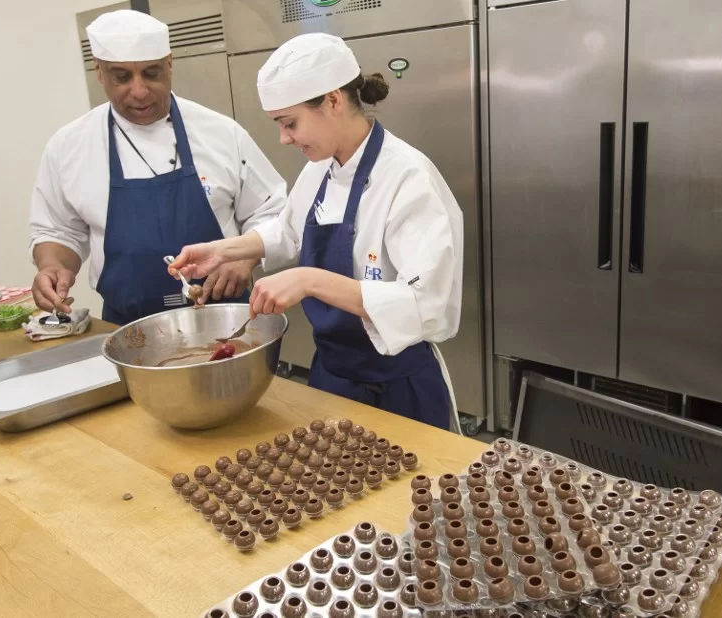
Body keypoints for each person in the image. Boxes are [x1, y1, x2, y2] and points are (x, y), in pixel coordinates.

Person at [169, 33, 463, 430]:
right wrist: (225, 251)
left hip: (397, 387)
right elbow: (289, 232)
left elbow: (425, 304)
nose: (283, 138)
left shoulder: (408, 178)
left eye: (289, 123)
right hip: (331, 376)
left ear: (334, 101)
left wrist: (309, 280)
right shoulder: (320, 169)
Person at [28, 9, 286, 326]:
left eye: (151, 73)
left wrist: (245, 256)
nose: (138, 91)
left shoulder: (221, 133)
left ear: (170, 65)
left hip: (227, 319)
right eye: (121, 77)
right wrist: (54, 266)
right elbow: (57, 230)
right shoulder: (69, 147)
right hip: (128, 330)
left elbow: (274, 212)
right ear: (98, 71)